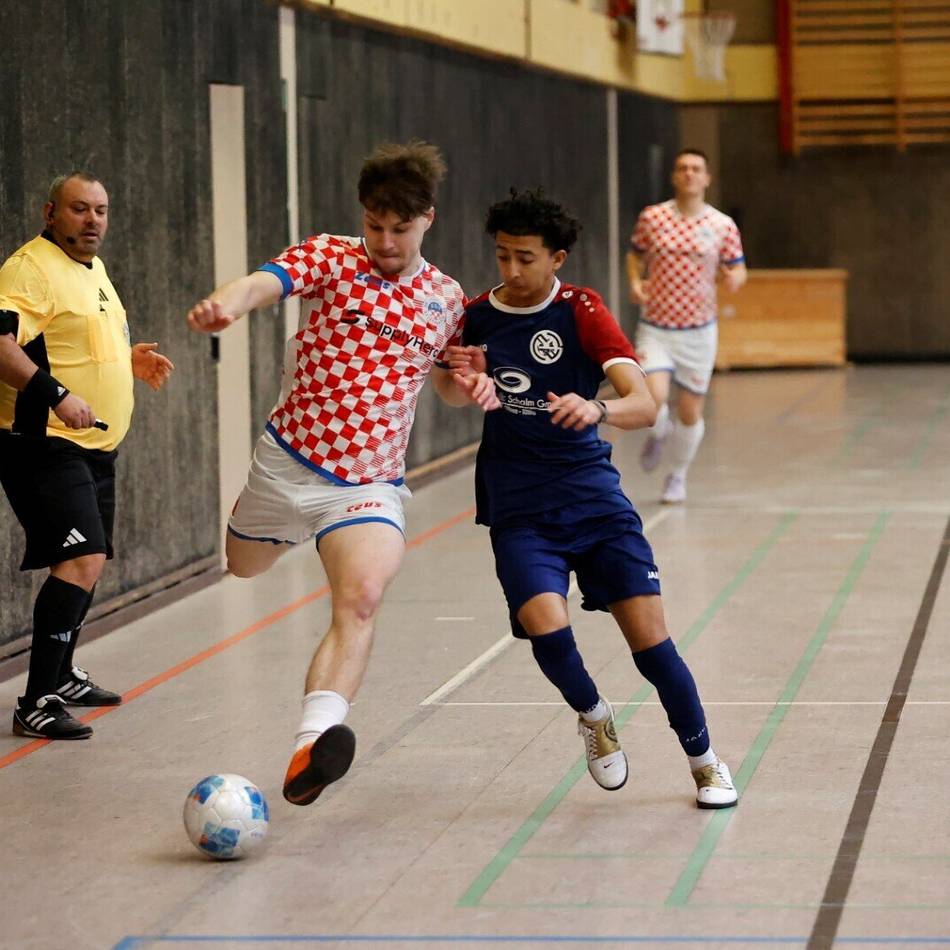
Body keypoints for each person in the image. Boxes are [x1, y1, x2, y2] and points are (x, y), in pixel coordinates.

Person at [186, 141, 493, 807]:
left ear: (427, 220)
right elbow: (265, 281)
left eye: (399, 229)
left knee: (361, 598)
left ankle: (311, 745)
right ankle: (268, 528)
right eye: (375, 225)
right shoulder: (330, 255)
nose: (384, 240)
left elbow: (444, 386)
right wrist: (230, 303)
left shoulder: (444, 300)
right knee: (242, 567)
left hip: (366, 487)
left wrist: (467, 386)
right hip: (285, 466)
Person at [444, 188, 737, 808]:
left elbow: (644, 401)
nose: (513, 271)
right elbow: (449, 389)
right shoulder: (475, 314)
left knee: (653, 647)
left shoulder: (581, 310)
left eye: (526, 257)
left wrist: (596, 405)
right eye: (502, 256)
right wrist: (461, 381)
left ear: (558, 258)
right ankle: (594, 716)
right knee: (544, 625)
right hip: (519, 503)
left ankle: (705, 761)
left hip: (592, 499)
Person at [0, 172, 174, 740]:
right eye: (79, 209)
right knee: (81, 560)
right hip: (44, 443)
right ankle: (37, 701)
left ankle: (65, 675)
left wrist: (127, 360)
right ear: (51, 212)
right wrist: (55, 394)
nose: (92, 220)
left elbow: (76, 343)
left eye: (100, 209)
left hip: (96, 446)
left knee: (89, 561)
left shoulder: (90, 268)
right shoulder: (31, 269)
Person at [626, 148, 746, 504]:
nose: (689, 174)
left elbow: (738, 267)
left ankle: (677, 475)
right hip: (657, 326)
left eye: (696, 169)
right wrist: (634, 282)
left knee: (690, 411)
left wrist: (734, 280)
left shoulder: (722, 225)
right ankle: (658, 431)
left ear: (707, 178)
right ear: (674, 177)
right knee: (654, 397)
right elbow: (634, 256)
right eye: (682, 168)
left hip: (699, 330)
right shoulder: (653, 218)